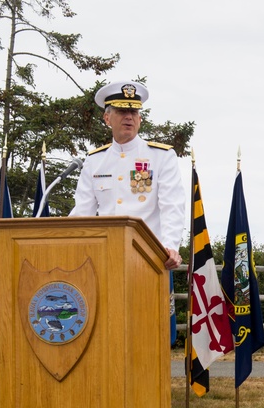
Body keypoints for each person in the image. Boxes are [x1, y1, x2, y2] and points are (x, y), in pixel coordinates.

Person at [70, 81, 186, 270]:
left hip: (149, 258)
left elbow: (172, 206)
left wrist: (170, 247)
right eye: (122, 112)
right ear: (107, 118)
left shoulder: (161, 156)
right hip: (104, 257)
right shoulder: (95, 161)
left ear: (140, 119)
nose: (129, 117)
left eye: (134, 112)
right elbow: (82, 212)